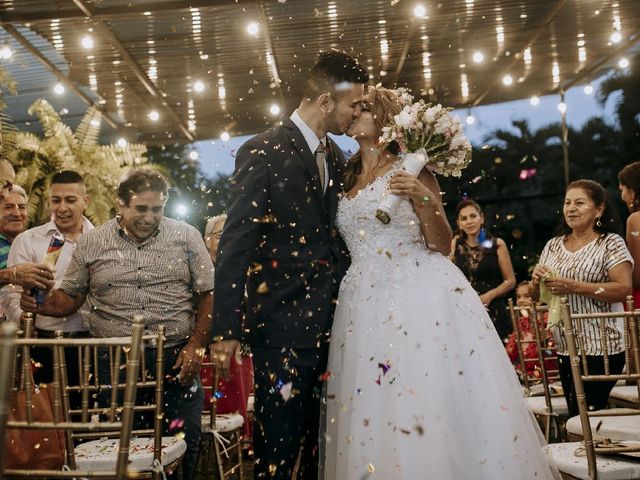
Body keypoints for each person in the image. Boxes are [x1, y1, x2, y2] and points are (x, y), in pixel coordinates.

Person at [322, 85, 559, 479]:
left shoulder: (413, 167)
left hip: (417, 292)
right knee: (372, 399)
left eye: (363, 109)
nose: (354, 114)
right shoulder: (343, 175)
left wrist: (422, 196)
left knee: (422, 389)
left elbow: (438, 239)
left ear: (383, 121)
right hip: (362, 299)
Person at [211, 50, 368, 479]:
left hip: (335, 330)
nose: (358, 113)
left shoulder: (338, 158)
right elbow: (235, 245)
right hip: (280, 331)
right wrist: (225, 330)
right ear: (324, 101)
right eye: (353, 104)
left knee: (324, 448)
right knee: (277, 450)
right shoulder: (261, 151)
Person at [20, 168, 214, 480]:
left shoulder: (186, 235)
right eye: (140, 208)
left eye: (157, 209)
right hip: (114, 361)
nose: (149, 217)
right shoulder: (93, 242)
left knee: (183, 440)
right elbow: (70, 297)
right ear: (120, 204)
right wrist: (40, 301)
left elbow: (208, 293)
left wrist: (196, 346)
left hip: (177, 358)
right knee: (121, 447)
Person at [530, 179, 632, 417]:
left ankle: (591, 452)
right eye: (567, 203)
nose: (571, 208)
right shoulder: (553, 246)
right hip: (566, 347)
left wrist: (574, 286)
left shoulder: (610, 243)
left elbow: (623, 288)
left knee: (589, 415)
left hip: (602, 347)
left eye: (579, 203)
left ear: (599, 209)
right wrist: (535, 281)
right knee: (578, 415)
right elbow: (537, 297)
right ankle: (583, 452)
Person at [1, 171, 93, 386]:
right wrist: (23, 318)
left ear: (85, 201)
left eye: (70, 200)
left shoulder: (101, 240)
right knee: (46, 414)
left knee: (89, 412)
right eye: (56, 200)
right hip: (42, 341)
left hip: (92, 342)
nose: (62, 207)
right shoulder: (28, 240)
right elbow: (10, 292)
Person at [201, 213, 254, 442]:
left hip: (241, 349)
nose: (226, 240)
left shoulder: (245, 270)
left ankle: (240, 433)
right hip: (205, 351)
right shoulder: (201, 272)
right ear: (206, 240)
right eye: (220, 234)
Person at [451, 199, 516, 341]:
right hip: (465, 310)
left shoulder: (497, 244)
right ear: (459, 224)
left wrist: (489, 296)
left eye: (473, 216)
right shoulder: (455, 244)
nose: (469, 221)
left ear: (482, 218)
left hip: (494, 311)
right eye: (464, 218)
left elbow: (510, 281)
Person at [0, 184, 54, 307]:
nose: (17, 213)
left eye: (22, 207)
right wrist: (11, 275)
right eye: (8, 207)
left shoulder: (34, 242)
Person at [505, 281, 558, 381]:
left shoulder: (549, 320)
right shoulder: (521, 322)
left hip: (549, 377)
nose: (520, 301)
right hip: (524, 376)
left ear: (539, 298)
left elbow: (551, 353)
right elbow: (510, 353)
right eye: (518, 297)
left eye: (526, 296)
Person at [618, 161, 640, 306]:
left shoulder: (636, 219)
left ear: (632, 192)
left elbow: (637, 275)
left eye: (622, 189)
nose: (622, 196)